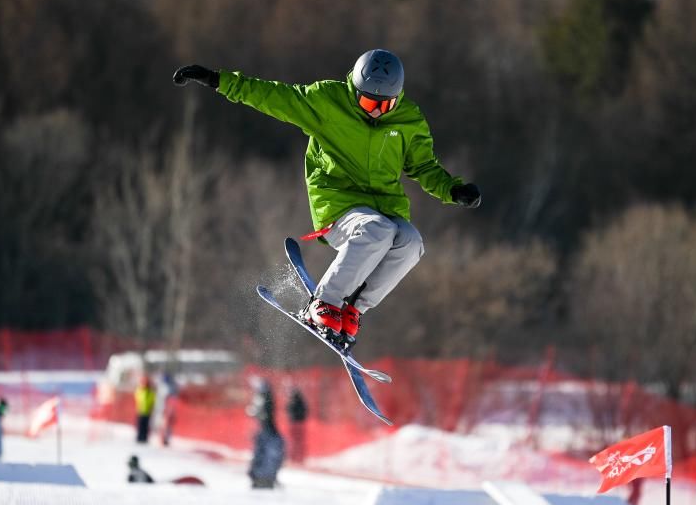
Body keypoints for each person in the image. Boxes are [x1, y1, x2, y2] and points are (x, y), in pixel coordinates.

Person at [174, 50, 481, 347]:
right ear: (353, 90)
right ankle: (322, 303)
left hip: (384, 208)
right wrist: (218, 80)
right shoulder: (327, 102)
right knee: (378, 230)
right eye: (366, 101)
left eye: (383, 106)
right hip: (338, 204)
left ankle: (352, 311)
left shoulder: (409, 120)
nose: (374, 110)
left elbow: (424, 167)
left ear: (397, 98)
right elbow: (274, 96)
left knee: (411, 243)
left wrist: (453, 191)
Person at [248, 411, 285, 490]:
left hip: (263, 477)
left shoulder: (266, 436)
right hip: (264, 477)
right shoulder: (268, 436)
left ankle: (263, 478)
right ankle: (264, 478)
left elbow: (265, 457)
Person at [286, 387, 308, 464]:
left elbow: (290, 411)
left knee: (295, 441)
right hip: (299, 423)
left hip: (296, 424)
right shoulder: (300, 402)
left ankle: (295, 457)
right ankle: (297, 457)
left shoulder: (295, 402)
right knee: (297, 441)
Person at [134, 374, 156, 444]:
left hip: (147, 411)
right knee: (140, 424)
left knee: (146, 426)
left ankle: (144, 438)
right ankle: (139, 437)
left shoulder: (150, 391)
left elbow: (152, 400)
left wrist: (151, 408)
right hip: (140, 410)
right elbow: (137, 397)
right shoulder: (140, 389)